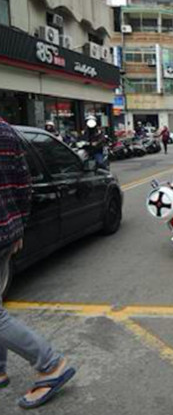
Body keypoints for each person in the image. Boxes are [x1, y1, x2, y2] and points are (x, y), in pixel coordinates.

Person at [0, 117, 76, 409]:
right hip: (7, 232)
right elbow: (24, 184)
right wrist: (17, 225)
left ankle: (50, 365)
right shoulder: (7, 129)